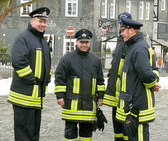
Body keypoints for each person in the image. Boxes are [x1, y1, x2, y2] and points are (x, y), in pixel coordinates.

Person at [8, 7, 52, 141]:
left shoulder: (42, 40)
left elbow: (46, 64)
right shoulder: (23, 37)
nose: (42, 24)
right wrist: (32, 79)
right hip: (23, 96)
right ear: (32, 21)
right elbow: (18, 62)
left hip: (36, 97)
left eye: (44, 22)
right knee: (24, 134)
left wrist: (47, 78)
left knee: (33, 133)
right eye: (40, 21)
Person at [54, 29, 105, 141]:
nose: (84, 45)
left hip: (89, 104)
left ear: (89, 43)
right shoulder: (67, 58)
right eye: (81, 42)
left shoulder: (95, 60)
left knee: (86, 134)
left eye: (86, 42)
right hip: (71, 105)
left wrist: (101, 96)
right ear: (77, 42)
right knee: (70, 133)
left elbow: (100, 81)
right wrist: (60, 96)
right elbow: (59, 78)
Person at [115, 17, 161, 140]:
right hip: (133, 104)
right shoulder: (134, 47)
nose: (121, 33)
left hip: (136, 105)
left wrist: (153, 83)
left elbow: (146, 74)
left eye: (123, 30)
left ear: (131, 31)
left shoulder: (139, 48)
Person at [103, 12, 132, 141]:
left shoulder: (131, 42)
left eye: (124, 24)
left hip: (126, 94)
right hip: (116, 93)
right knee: (117, 127)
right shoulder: (120, 42)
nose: (122, 26)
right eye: (120, 23)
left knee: (127, 126)